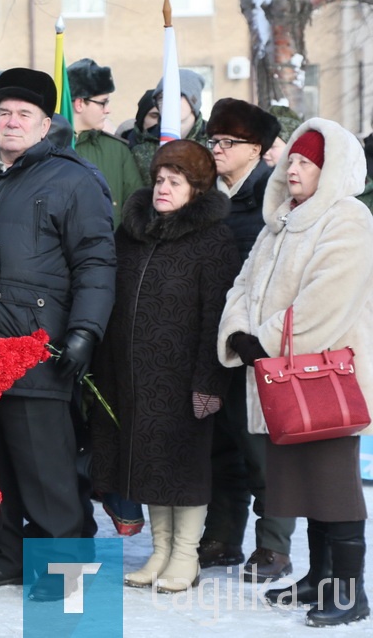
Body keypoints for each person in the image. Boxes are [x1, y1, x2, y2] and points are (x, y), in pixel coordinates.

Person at [0, 68, 116, 596]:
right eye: (3, 112)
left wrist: (85, 331)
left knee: (45, 468)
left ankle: (64, 570)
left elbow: (96, 261)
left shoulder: (73, 179)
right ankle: (7, 553)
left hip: (36, 345)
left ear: (46, 123)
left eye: (25, 114)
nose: (12, 122)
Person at [218, 120, 373, 628]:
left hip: (327, 377)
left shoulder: (347, 218)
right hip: (281, 374)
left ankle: (350, 591)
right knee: (299, 483)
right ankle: (320, 576)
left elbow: (328, 299)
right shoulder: (281, 221)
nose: (295, 168)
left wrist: (259, 339)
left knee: (332, 483)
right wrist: (238, 333)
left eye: (307, 162)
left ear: (330, 171)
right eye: (294, 161)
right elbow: (243, 285)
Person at [91, 140, 241, 593]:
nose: (163, 188)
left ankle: (185, 555)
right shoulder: (134, 232)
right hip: (134, 372)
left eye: (175, 182)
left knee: (186, 465)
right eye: (159, 179)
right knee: (148, 462)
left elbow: (218, 314)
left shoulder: (214, 239)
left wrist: (209, 381)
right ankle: (159, 551)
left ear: (196, 189)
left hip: (186, 374)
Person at [196, 98, 296, 581]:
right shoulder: (203, 195)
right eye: (213, 140)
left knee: (261, 447)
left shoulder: (273, 200)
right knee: (219, 445)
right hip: (208, 340)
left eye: (227, 142)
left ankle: (273, 546)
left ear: (256, 148)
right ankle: (221, 537)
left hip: (256, 342)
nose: (216, 149)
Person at [67, 58, 143, 226]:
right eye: (102, 103)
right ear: (80, 103)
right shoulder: (47, 147)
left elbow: (137, 210)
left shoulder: (118, 150)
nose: (107, 109)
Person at [130, 70, 207, 183]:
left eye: (175, 95)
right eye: (161, 97)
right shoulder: (141, 148)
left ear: (193, 101)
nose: (167, 102)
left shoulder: (214, 144)